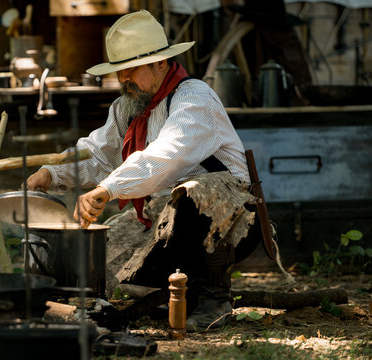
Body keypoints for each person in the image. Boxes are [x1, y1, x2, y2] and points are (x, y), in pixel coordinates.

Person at [26, 9, 261, 331]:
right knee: (105, 249)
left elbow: (164, 157)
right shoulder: (128, 107)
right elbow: (98, 154)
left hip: (234, 219)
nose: (123, 79)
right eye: (119, 71)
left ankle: (214, 299)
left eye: (131, 69)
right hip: (166, 215)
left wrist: (108, 189)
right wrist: (52, 173)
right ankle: (180, 291)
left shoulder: (195, 99)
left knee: (193, 194)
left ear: (161, 63)